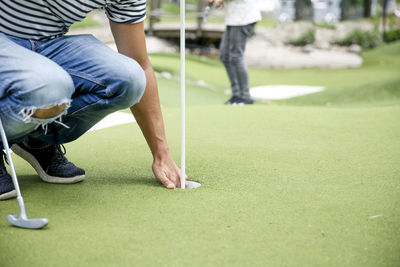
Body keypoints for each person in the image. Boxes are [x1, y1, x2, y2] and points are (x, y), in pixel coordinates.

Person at [0, 0, 186, 200]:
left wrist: (161, 154)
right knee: (51, 85)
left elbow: (140, 62)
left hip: (49, 44)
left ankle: (36, 140)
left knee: (129, 78)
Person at [208, 0, 261, 105]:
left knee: (236, 56)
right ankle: (237, 95)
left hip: (244, 18)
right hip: (233, 19)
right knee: (224, 55)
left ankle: (245, 96)